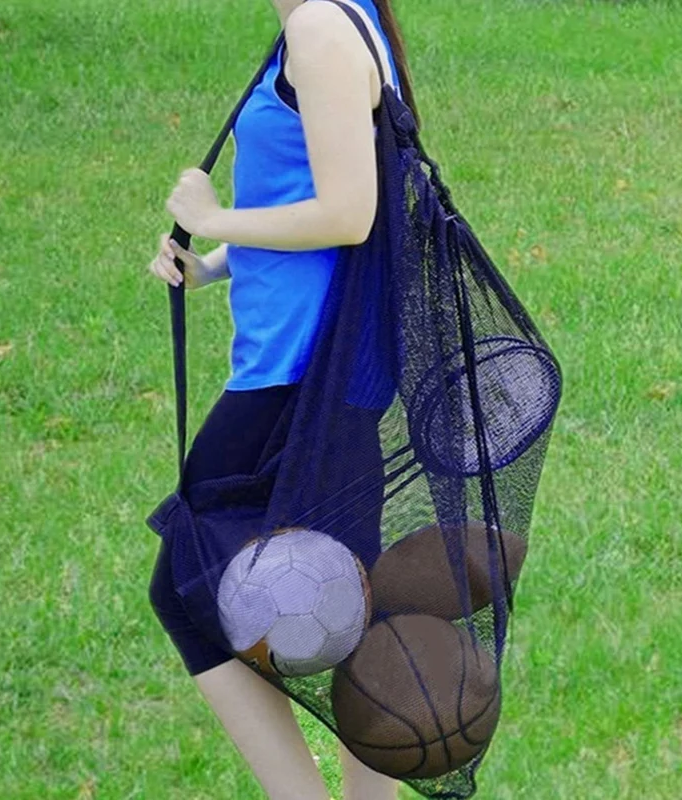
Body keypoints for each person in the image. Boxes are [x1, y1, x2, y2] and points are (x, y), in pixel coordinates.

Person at [146, 1, 421, 798]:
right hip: (322, 364)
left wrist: (210, 215)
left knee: (189, 586)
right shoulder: (337, 17)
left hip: (301, 373)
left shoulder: (321, 29)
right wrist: (215, 262)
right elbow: (311, 187)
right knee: (343, 595)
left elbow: (348, 212)